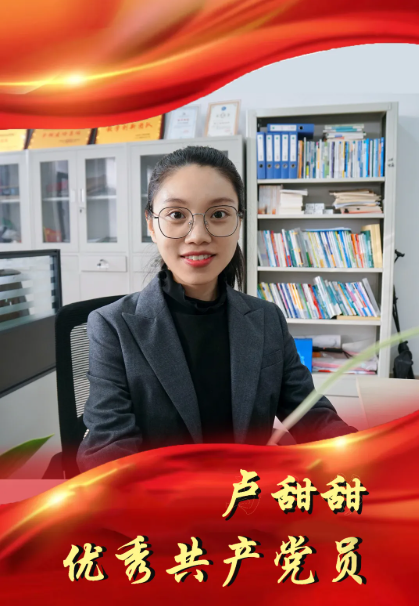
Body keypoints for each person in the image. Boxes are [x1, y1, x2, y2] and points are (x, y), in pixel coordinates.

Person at [76, 146, 356, 473]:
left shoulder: (267, 319)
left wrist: (367, 453)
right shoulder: (112, 327)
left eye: (219, 214)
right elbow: (108, 456)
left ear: (239, 222)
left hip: (247, 495)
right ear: (151, 224)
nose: (198, 236)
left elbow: (314, 418)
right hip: (162, 500)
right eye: (176, 215)